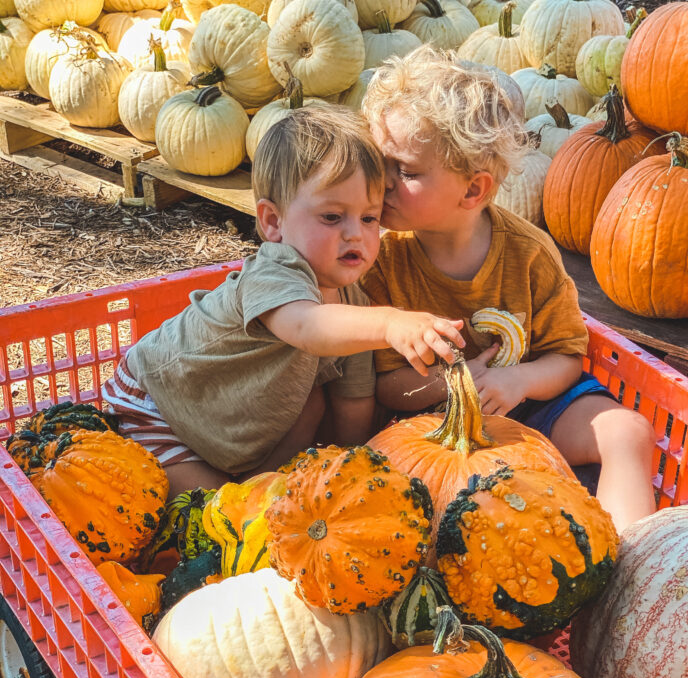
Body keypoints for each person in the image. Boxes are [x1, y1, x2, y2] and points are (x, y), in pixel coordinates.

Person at [361, 47, 657, 532]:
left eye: (407, 172)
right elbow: (384, 383)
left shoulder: (529, 254)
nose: (384, 183)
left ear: (473, 191)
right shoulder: (379, 259)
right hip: (433, 430)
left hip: (532, 407)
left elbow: (566, 356)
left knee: (627, 432)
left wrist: (517, 381)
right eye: (380, 163)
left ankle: (631, 566)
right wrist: (453, 385)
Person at [102, 105, 464, 496]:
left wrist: (351, 480)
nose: (354, 234)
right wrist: (392, 322)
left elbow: (353, 404)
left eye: (369, 218)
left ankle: (272, 493)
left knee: (314, 406)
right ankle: (253, 498)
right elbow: (309, 326)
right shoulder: (273, 272)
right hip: (157, 411)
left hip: (231, 429)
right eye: (332, 217)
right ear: (273, 222)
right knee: (217, 522)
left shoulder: (356, 305)